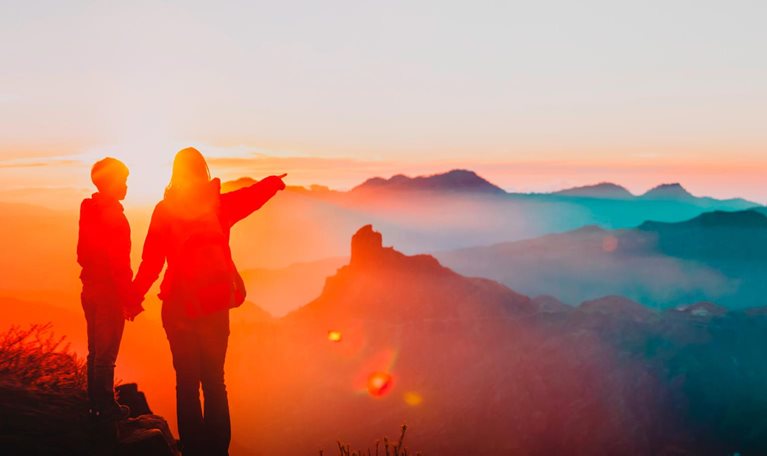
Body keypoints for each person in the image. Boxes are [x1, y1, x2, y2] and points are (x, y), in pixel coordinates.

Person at [132, 147, 286, 456]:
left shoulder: (165, 210)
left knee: (187, 385)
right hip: (215, 307)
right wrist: (273, 183)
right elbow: (250, 197)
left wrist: (133, 297)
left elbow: (151, 260)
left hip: (178, 307)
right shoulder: (219, 205)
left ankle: (194, 449)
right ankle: (218, 450)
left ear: (175, 173)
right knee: (215, 382)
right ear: (203, 171)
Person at [77, 157, 143, 422]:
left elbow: (82, 254)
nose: (126, 186)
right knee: (106, 354)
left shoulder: (88, 209)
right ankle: (105, 407)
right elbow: (119, 266)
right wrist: (130, 300)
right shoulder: (114, 217)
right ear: (111, 183)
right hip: (108, 293)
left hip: (89, 287)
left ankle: (94, 403)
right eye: (123, 181)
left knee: (95, 351)